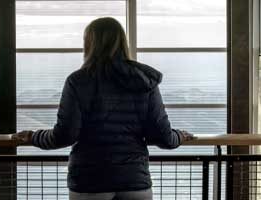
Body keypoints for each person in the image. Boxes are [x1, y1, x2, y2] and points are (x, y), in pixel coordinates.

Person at [13, 17, 196, 200]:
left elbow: (65, 135)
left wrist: (32, 136)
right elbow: (162, 136)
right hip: (134, 181)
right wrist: (180, 135)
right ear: (123, 43)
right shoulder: (144, 81)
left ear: (89, 44)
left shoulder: (78, 81)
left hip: (89, 182)